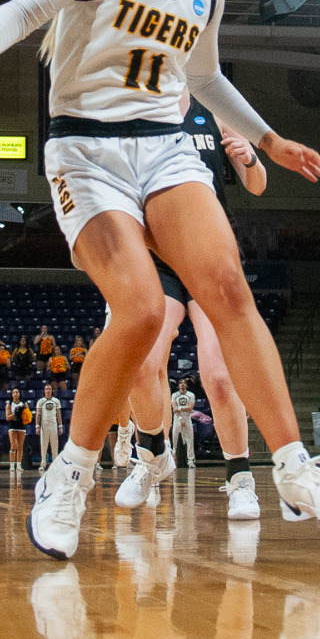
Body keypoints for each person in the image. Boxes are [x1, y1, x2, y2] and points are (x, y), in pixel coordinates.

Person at [0, 0, 320, 559]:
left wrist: (269, 139)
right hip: (85, 152)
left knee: (230, 288)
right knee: (141, 309)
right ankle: (71, 475)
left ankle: (293, 470)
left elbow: (203, 78)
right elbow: (31, 5)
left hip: (164, 149)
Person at [108, 85, 272, 521]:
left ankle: (240, 479)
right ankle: (152, 456)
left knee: (218, 376)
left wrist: (249, 158)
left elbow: (257, 185)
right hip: (158, 255)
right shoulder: (135, 113)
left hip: (209, 253)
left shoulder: (213, 110)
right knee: (141, 365)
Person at [4, 387, 31, 473]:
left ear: (19, 394)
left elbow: (28, 416)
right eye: (14, 392)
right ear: (12, 394)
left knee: (20, 446)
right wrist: (15, 413)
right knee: (13, 445)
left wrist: (24, 414)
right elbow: (7, 417)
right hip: (12, 425)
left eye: (17, 392)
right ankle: (12, 465)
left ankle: (19, 466)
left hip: (21, 425)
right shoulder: (9, 404)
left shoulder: (24, 404)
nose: (15, 394)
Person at [36, 383, 63, 468]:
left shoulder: (56, 401)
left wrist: (60, 426)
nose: (48, 391)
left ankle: (55, 463)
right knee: (44, 444)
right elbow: (38, 414)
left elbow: (58, 414)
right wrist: (37, 426)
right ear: (44, 391)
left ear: (52, 391)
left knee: (54, 444)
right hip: (44, 425)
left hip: (53, 424)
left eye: (49, 389)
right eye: (46, 389)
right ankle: (43, 463)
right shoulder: (41, 401)